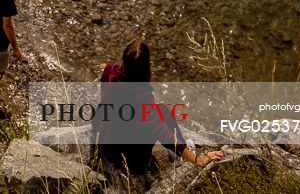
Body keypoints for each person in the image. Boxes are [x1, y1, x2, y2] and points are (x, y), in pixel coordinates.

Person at [92, 40, 224, 181]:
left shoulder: (109, 72)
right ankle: (183, 151)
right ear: (145, 67)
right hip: (130, 162)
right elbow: (161, 132)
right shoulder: (142, 96)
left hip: (107, 146)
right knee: (163, 112)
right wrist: (198, 160)